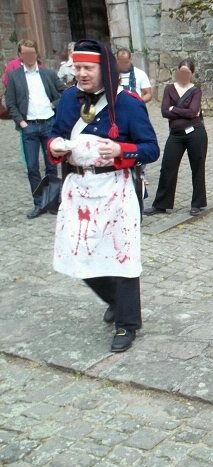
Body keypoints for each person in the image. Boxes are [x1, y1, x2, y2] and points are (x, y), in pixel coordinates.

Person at [47, 39, 160, 353]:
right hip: (78, 190)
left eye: (88, 68)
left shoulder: (128, 103)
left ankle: (127, 324)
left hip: (116, 188)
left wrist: (122, 149)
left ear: (103, 69)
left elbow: (150, 148)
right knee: (78, 252)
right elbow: (55, 131)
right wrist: (54, 145)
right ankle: (116, 301)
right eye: (78, 67)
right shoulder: (70, 98)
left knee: (122, 257)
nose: (81, 73)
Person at [5, 39, 67, 218]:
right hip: (29, 126)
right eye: (25, 54)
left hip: (49, 124)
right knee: (32, 167)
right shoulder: (15, 76)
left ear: (36, 54)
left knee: (52, 166)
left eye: (32, 54)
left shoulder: (48, 74)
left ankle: (53, 201)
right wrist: (21, 123)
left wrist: (52, 104)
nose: (29, 57)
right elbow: (10, 103)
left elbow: (65, 92)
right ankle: (38, 203)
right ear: (20, 56)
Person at [144, 59, 207, 217]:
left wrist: (174, 109)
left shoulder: (196, 91)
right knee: (167, 167)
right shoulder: (169, 89)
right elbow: (165, 111)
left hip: (195, 133)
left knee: (197, 168)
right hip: (176, 135)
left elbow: (193, 112)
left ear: (192, 74)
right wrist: (183, 111)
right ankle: (161, 204)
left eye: (187, 72)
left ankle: (197, 204)